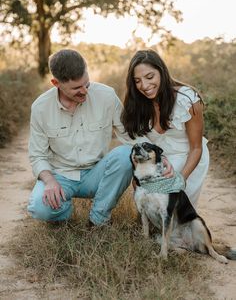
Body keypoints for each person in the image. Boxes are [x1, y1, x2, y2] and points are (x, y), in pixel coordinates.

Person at [27, 49, 134, 226]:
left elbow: (130, 136)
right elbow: (37, 155)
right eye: (76, 88)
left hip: (97, 173)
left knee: (126, 155)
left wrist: (158, 160)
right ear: (56, 83)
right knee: (39, 207)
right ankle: (64, 211)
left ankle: (98, 220)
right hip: (60, 175)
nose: (84, 91)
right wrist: (50, 181)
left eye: (87, 84)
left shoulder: (106, 96)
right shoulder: (40, 107)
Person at [121, 49, 209, 207]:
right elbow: (134, 139)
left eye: (149, 77)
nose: (145, 85)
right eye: (137, 80)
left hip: (189, 157)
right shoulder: (138, 103)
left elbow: (196, 148)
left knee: (177, 215)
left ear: (161, 72)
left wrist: (179, 180)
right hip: (160, 158)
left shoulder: (186, 99)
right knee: (146, 195)